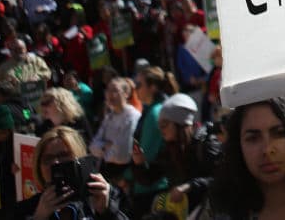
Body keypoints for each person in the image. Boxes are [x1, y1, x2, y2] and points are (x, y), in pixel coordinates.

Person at [133, 93, 221, 210]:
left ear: (180, 124)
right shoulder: (169, 150)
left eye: (164, 124)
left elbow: (220, 179)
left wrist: (190, 186)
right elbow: (148, 179)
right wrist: (139, 163)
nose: (161, 129)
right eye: (159, 125)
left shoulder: (206, 144)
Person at [16, 126, 126, 220]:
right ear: (39, 167)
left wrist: (107, 211)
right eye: (48, 159)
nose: (56, 162)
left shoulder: (103, 195)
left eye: (63, 155)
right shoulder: (28, 209)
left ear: (80, 159)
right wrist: (39, 217)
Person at [130, 66, 179, 215]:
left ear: (153, 87)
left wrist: (126, 177)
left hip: (152, 188)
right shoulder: (155, 109)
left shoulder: (154, 113)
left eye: (139, 84)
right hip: (156, 185)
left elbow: (147, 154)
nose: (135, 89)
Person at [90, 77, 141, 183]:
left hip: (124, 175)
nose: (110, 94)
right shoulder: (109, 117)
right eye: (108, 90)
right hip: (107, 172)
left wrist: (104, 149)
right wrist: (107, 145)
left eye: (115, 90)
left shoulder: (132, 116)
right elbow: (93, 147)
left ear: (126, 93)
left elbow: (122, 155)